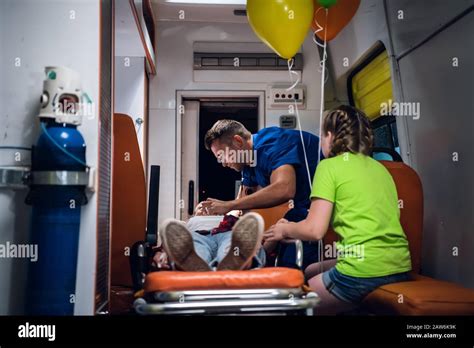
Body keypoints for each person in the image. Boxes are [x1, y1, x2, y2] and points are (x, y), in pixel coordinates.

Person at [263, 105, 412, 315]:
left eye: (322, 135)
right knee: (311, 270)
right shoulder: (381, 168)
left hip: (363, 271)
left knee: (297, 304)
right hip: (400, 266)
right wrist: (296, 226)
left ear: (330, 136)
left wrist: (284, 231)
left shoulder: (328, 166)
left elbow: (315, 231)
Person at [200, 120, 321, 269]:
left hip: (326, 207)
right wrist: (216, 214)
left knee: (289, 262)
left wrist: (228, 205)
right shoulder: (248, 164)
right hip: (304, 209)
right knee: (267, 248)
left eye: (222, 155)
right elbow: (243, 207)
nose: (223, 163)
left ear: (238, 142)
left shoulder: (273, 143)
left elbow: (285, 188)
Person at [154, 206, 265, 272]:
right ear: (195, 213)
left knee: (231, 246)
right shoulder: (190, 222)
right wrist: (163, 253)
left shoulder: (232, 219)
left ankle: (235, 261)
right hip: (199, 235)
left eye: (210, 206)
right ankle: (192, 263)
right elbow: (174, 239)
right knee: (196, 249)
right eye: (201, 207)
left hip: (227, 233)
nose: (206, 209)